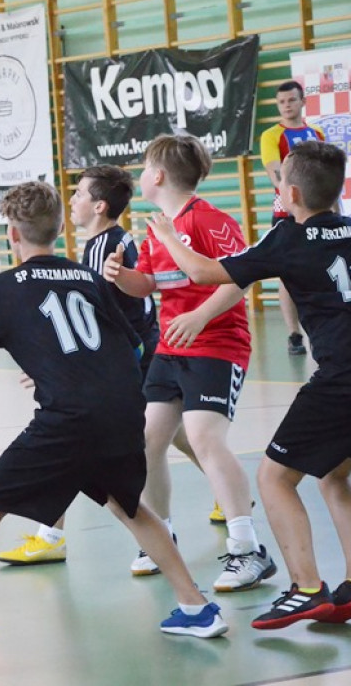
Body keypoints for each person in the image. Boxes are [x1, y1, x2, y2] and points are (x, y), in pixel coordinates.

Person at [0, 181, 227, 672]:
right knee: (131, 508)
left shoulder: (1, 289)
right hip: (122, 410)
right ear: (58, 228)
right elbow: (129, 346)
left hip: (68, 418)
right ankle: (197, 608)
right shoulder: (89, 277)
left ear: (13, 234)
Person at [146, 140, 351, 629]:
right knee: (334, 475)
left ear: (292, 193)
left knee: (275, 477)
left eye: (279, 182)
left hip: (340, 380)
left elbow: (201, 271)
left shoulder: (287, 239)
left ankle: (305, 588)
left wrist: (169, 235)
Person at [0, 165, 223, 566]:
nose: (72, 200)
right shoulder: (102, 244)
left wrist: (60, 364)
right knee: (169, 435)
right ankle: (228, 493)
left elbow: (107, 318)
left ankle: (54, 535)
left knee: (77, 438)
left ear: (99, 206)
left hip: (131, 360)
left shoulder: (106, 248)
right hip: (142, 354)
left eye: (79, 194)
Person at [103, 134, 275, 590]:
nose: (140, 175)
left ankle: (248, 549)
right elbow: (153, 285)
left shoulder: (209, 220)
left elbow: (240, 278)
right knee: (147, 440)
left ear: (157, 175)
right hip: (171, 348)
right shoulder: (159, 226)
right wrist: (124, 278)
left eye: (143, 167)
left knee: (203, 438)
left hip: (217, 344)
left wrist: (200, 316)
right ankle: (162, 537)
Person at [260, 80, 326, 355]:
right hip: (286, 212)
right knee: (288, 274)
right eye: (281, 102)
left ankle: (322, 325)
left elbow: (327, 175)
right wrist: (298, 201)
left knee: (324, 270)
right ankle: (294, 334)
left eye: (291, 100)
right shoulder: (272, 135)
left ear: (302, 102)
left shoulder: (317, 133)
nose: (286, 105)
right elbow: (276, 175)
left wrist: (331, 209)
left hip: (319, 212)